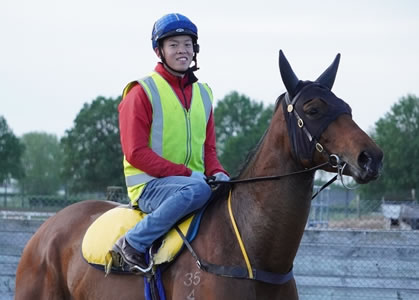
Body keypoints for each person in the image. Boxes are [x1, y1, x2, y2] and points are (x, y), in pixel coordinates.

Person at [113, 13, 229, 273]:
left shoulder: (204, 93)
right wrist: (189, 175)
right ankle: (133, 243)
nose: (182, 51)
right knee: (197, 191)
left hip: (193, 182)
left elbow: (208, 149)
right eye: (174, 45)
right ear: (159, 50)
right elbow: (135, 152)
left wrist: (219, 173)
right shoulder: (141, 91)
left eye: (187, 44)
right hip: (150, 187)